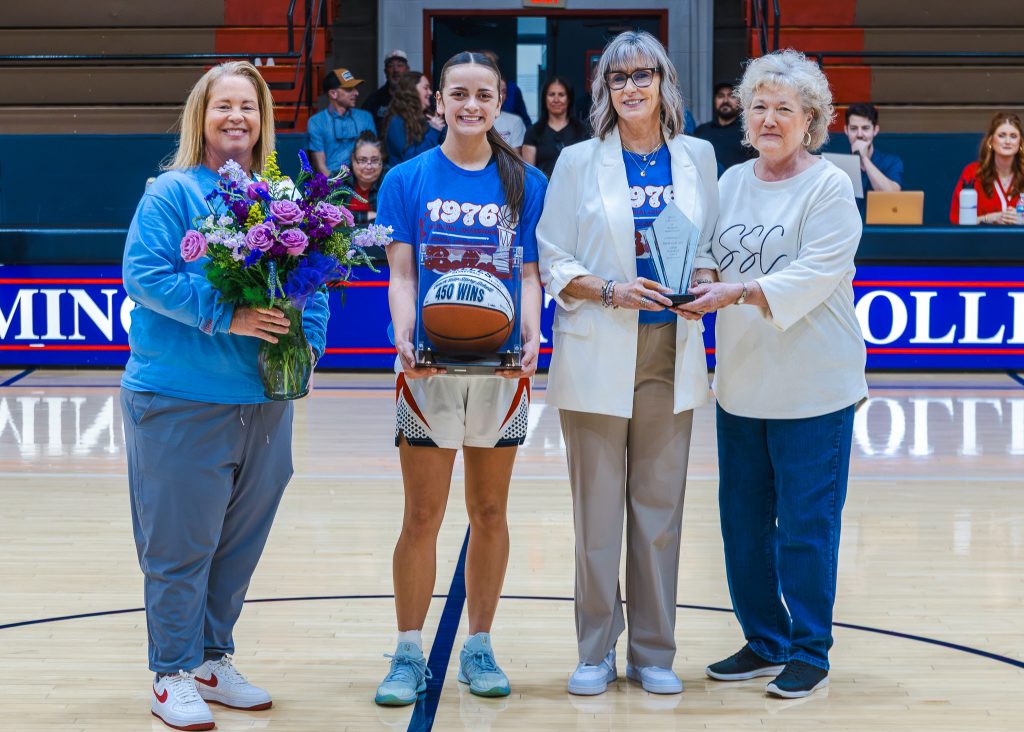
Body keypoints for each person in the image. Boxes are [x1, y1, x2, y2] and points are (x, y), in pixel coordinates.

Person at [121, 61, 330, 730]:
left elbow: (316, 282)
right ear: (201, 118)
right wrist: (228, 315)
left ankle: (211, 660)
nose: (236, 117)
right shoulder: (170, 195)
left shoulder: (283, 198)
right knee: (180, 547)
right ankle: (171, 673)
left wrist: (309, 351)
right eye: (224, 107)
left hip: (264, 404)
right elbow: (144, 277)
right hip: (180, 400)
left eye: (249, 106)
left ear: (264, 121)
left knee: (237, 547)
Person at [679, 49, 867, 699]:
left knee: (807, 528)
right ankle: (765, 640)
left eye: (783, 108)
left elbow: (813, 275)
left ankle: (810, 649)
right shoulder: (731, 183)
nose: (767, 117)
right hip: (742, 383)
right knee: (743, 523)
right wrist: (701, 280)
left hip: (816, 387)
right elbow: (705, 251)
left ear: (812, 119)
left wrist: (732, 293)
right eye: (758, 105)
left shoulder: (830, 185)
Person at [536, 30, 719, 697]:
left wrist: (700, 280)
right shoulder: (579, 161)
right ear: (604, 92)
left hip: (671, 347)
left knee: (659, 513)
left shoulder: (698, 156)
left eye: (643, 75)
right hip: (598, 344)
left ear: (664, 82)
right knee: (597, 517)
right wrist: (609, 289)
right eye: (618, 79)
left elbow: (713, 248)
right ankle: (593, 650)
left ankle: (653, 652)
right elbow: (553, 256)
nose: (632, 87)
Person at [372, 50, 547, 707]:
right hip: (428, 367)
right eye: (458, 93)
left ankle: (479, 643)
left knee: (490, 511)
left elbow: (529, 274)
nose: (471, 105)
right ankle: (409, 649)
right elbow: (403, 273)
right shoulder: (406, 179)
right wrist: (401, 332)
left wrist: (533, 334)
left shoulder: (525, 181)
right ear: (436, 100)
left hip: (502, 369)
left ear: (500, 101)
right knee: (422, 513)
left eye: (483, 94)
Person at [949, 111, 1024, 224]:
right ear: (990, 141)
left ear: (1020, 143)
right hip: (981, 241)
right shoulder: (973, 172)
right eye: (1001, 135)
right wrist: (988, 218)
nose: (1008, 141)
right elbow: (957, 221)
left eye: (1013, 136)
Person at [307, 67, 376, 176]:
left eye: (355, 88)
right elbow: (321, 167)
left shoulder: (365, 117)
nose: (356, 93)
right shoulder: (316, 122)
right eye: (349, 89)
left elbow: (374, 156)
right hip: (331, 183)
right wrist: (337, 189)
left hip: (362, 181)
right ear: (333, 94)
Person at [522, 77, 589, 179]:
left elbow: (588, 169)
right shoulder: (533, 132)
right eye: (551, 94)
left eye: (561, 95)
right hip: (544, 192)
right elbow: (529, 175)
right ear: (544, 99)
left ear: (569, 99)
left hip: (575, 192)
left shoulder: (582, 130)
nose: (556, 99)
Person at [693, 81, 756, 175]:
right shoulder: (701, 132)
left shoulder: (748, 132)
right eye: (720, 96)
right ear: (714, 101)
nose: (725, 100)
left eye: (732, 96)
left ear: (739, 101)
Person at [384, 71, 444, 165]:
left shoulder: (427, 117)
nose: (430, 92)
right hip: (404, 178)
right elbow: (410, 159)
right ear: (412, 91)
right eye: (425, 88)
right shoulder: (396, 121)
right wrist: (434, 131)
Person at [843, 102, 903, 193]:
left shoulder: (891, 162)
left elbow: (892, 195)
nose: (859, 134)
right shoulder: (839, 165)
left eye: (865, 128)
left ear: (875, 130)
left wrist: (864, 158)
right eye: (854, 128)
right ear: (846, 130)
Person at [362, 49, 410, 134]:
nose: (396, 70)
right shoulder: (373, 100)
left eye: (400, 65)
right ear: (385, 71)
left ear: (407, 69)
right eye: (391, 66)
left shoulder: (418, 96)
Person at [347, 131, 385, 225]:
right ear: (353, 159)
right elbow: (331, 217)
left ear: (382, 159)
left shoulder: (390, 180)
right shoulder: (340, 179)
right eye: (363, 160)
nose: (369, 166)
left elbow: (393, 218)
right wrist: (367, 216)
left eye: (375, 160)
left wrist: (351, 218)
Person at [493, 78, 527, 154]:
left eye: (504, 91)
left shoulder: (515, 121)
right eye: (497, 90)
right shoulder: (473, 119)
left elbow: (515, 157)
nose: (500, 95)